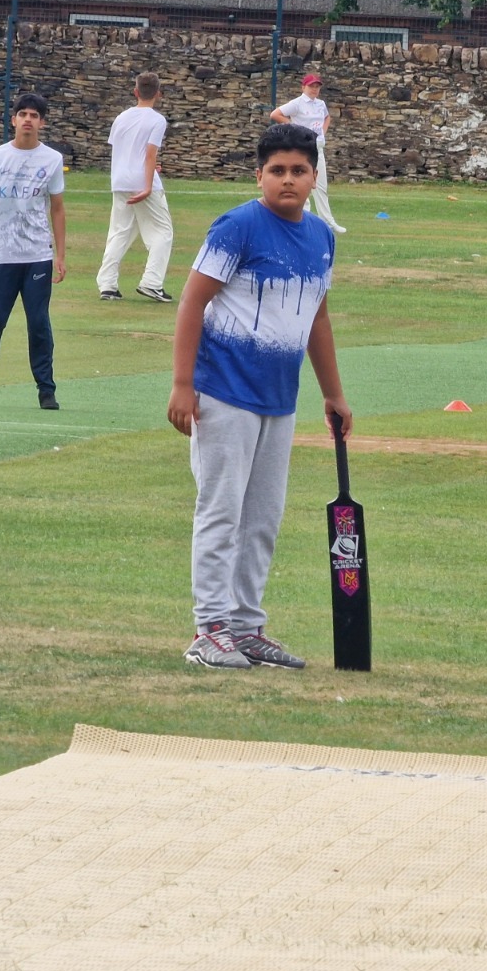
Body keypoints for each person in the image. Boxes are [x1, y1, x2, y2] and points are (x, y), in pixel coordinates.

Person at [168, 123, 351, 671]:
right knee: (222, 510)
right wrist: (182, 384)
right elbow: (192, 302)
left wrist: (334, 395)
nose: (288, 180)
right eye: (277, 171)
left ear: (314, 177)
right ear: (260, 175)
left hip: (280, 398)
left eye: (298, 171)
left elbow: (317, 317)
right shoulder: (238, 227)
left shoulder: (322, 236)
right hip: (223, 392)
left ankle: (246, 627)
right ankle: (211, 629)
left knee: (263, 517)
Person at [0, 92, 67, 410]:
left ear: (42, 122)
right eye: (22, 114)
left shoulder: (52, 160)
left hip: (36, 254)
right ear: (13, 120)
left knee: (38, 322)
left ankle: (46, 390)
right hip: (1, 254)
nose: (27, 120)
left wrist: (60, 255)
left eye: (34, 115)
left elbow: (58, 209)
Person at [97, 71, 175, 304]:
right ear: (158, 94)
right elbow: (149, 153)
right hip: (141, 182)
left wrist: (149, 170)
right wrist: (148, 184)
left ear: (135, 92)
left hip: (120, 180)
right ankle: (152, 283)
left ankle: (107, 285)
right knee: (163, 232)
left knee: (120, 231)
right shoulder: (157, 120)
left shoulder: (121, 117)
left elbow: (127, 151)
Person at [271, 73, 345, 234]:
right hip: (302, 147)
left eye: (317, 87)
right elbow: (275, 114)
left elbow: (327, 118)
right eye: (311, 86)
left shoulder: (320, 104)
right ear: (303, 87)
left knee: (320, 185)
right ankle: (303, 219)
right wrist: (295, 128)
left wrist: (323, 133)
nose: (314, 89)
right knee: (302, 182)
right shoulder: (297, 103)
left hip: (317, 147)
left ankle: (328, 221)